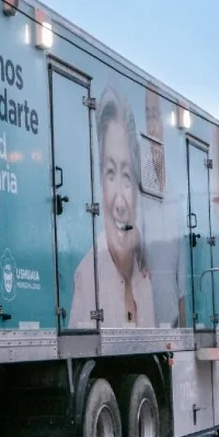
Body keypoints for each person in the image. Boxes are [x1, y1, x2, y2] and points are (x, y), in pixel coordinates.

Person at [69, 87, 155, 328]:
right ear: (99, 182)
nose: (120, 201)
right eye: (110, 174)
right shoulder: (87, 277)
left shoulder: (146, 275)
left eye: (127, 176)